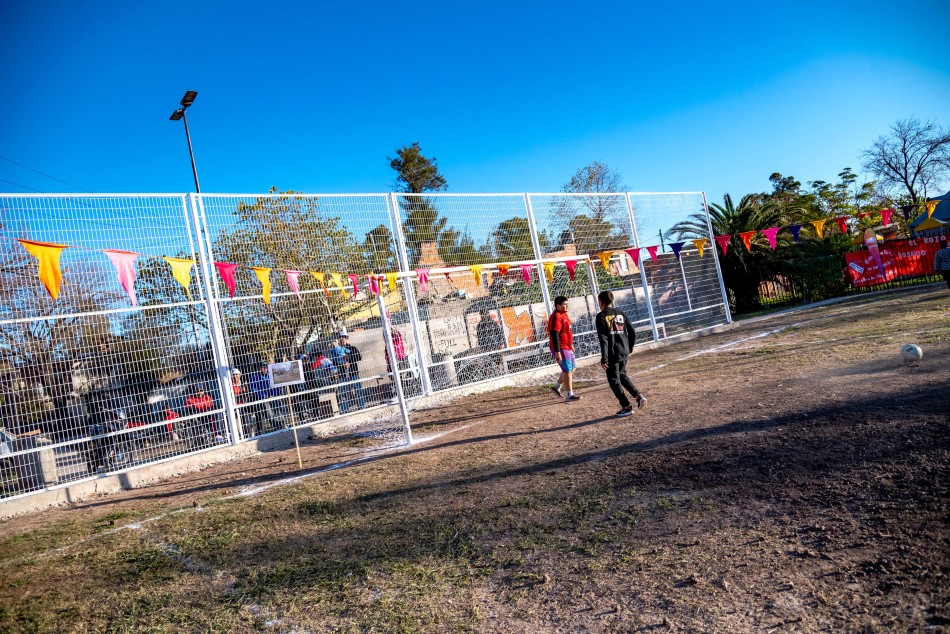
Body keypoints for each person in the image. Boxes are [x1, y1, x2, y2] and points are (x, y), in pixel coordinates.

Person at [595, 290, 647, 417]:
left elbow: (604, 339)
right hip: (624, 350)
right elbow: (632, 331)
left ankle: (626, 406)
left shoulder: (601, 316)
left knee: (614, 380)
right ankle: (639, 396)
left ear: (600, 302)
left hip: (612, 353)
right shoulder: (620, 313)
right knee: (622, 375)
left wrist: (604, 357)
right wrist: (630, 346)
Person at [548, 296, 581, 402]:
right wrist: (557, 352)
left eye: (567, 304)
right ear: (558, 306)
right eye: (564, 304)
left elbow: (567, 331)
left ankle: (557, 386)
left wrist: (571, 344)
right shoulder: (556, 316)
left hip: (567, 346)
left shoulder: (564, 315)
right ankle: (569, 395)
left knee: (572, 368)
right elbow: (555, 334)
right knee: (567, 370)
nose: (567, 306)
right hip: (561, 347)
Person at [331, 332, 366, 412]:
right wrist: (341, 366)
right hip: (343, 375)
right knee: (343, 394)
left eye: (344, 337)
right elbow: (334, 363)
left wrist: (349, 358)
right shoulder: (336, 351)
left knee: (358, 391)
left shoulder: (352, 348)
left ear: (347, 339)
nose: (342, 339)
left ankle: (362, 408)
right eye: (340, 337)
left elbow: (359, 357)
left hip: (353, 373)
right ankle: (345, 410)